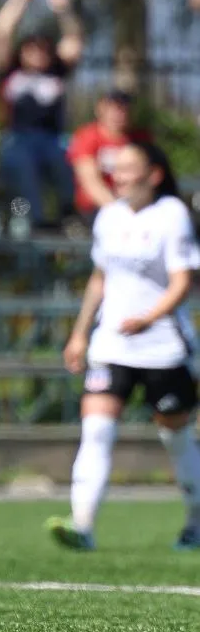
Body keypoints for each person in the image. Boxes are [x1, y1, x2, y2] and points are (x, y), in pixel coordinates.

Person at [49, 143, 200, 550]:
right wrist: (81, 332)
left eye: (129, 168)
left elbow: (183, 280)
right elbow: (100, 277)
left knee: (177, 437)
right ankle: (82, 524)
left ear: (152, 174)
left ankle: (195, 522)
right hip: (111, 345)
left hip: (162, 347)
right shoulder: (109, 217)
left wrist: (148, 318)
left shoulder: (172, 215)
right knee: (96, 431)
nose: (119, 175)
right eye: (115, 169)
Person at [0, 0, 84, 229]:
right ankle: (38, 219)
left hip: (53, 138)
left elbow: (74, 39)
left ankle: (68, 212)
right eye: (31, 49)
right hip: (17, 138)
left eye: (43, 50)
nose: (38, 54)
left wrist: (64, 11)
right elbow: (1, 32)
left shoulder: (57, 72)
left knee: (67, 157)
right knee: (24, 163)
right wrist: (18, 2)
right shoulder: (10, 71)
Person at [67, 90, 150, 223]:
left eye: (124, 109)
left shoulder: (141, 138)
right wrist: (118, 211)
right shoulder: (87, 137)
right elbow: (90, 181)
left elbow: (149, 176)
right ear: (100, 110)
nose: (119, 114)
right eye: (114, 109)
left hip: (135, 205)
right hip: (96, 208)